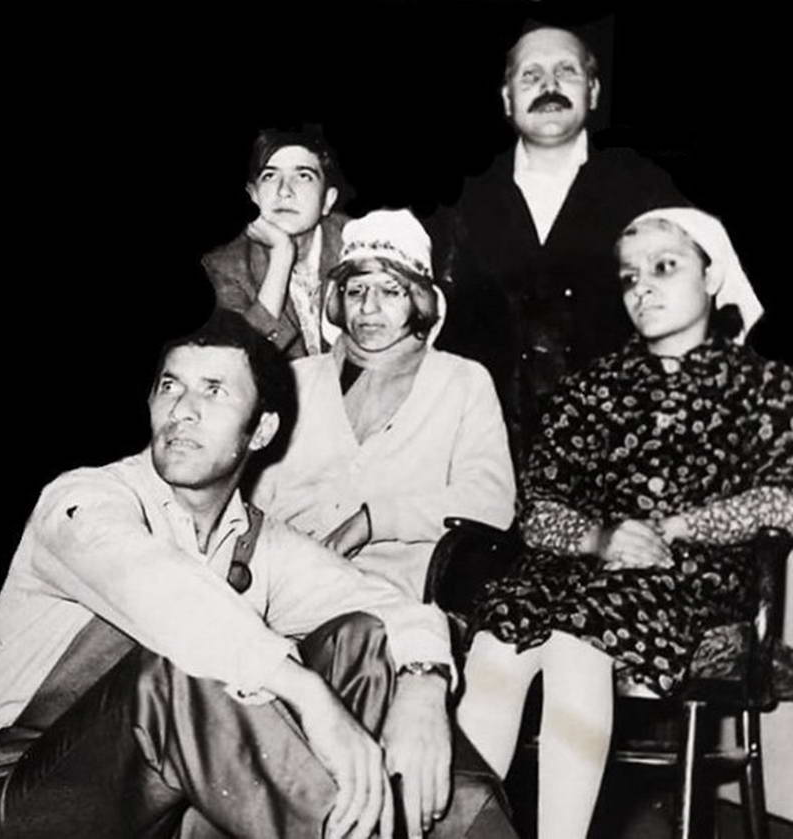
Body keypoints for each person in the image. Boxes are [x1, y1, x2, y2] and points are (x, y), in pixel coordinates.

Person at [0, 309, 517, 838]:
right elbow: (163, 592)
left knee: (366, 638)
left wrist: (424, 682)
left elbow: (391, 608)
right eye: (170, 386)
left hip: (174, 808)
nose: (183, 410)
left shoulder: (259, 541)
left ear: (261, 430)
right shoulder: (83, 500)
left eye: (214, 390)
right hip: (25, 793)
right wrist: (309, 695)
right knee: (176, 672)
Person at [456, 208, 791, 839]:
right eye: (630, 276)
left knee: (577, 641)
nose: (643, 288)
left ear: (712, 276)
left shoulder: (762, 386)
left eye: (665, 267)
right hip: (584, 570)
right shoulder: (597, 387)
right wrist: (598, 538)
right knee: (498, 640)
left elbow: (782, 498)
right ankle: (464, 831)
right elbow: (539, 505)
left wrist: (679, 527)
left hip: (694, 579)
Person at [438, 23, 685, 455]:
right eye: (531, 75)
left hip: (623, 450)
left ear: (593, 91)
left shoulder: (648, 192)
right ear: (507, 99)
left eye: (566, 71)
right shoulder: (462, 203)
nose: (549, 86)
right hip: (490, 454)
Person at [251, 209, 515, 600]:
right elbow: (252, 503)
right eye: (356, 291)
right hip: (277, 587)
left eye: (391, 291)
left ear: (421, 302)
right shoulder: (297, 379)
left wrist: (374, 521)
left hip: (387, 599)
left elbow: (491, 502)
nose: (368, 308)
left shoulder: (462, 382)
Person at [202, 127, 346, 359]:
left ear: (327, 201)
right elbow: (235, 361)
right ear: (253, 196)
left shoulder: (359, 242)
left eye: (303, 176)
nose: (284, 191)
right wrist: (281, 255)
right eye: (270, 176)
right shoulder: (225, 267)